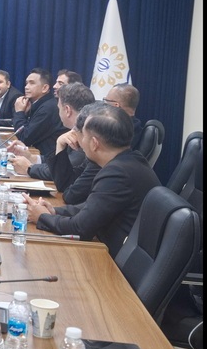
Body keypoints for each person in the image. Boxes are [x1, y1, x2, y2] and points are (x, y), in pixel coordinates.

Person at [23, 101, 161, 258]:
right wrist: (55, 211)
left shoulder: (116, 174)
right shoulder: (130, 160)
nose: (80, 141)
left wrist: (42, 217)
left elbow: (81, 228)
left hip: (113, 261)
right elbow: (91, 207)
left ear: (94, 143)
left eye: (82, 135)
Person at [13, 82, 98, 204]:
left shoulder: (86, 135)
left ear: (67, 110)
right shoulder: (75, 131)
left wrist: (29, 168)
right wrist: (31, 157)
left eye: (59, 108)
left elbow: (66, 172)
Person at [12, 68, 68, 157]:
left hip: (47, 158)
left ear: (45, 88)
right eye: (26, 83)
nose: (26, 87)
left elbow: (25, 138)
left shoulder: (48, 108)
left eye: (32, 83)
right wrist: (25, 114)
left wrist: (19, 112)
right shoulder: (40, 104)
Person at [103, 83, 143, 150]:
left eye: (107, 101)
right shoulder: (135, 128)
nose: (104, 105)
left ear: (116, 106)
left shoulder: (118, 133)